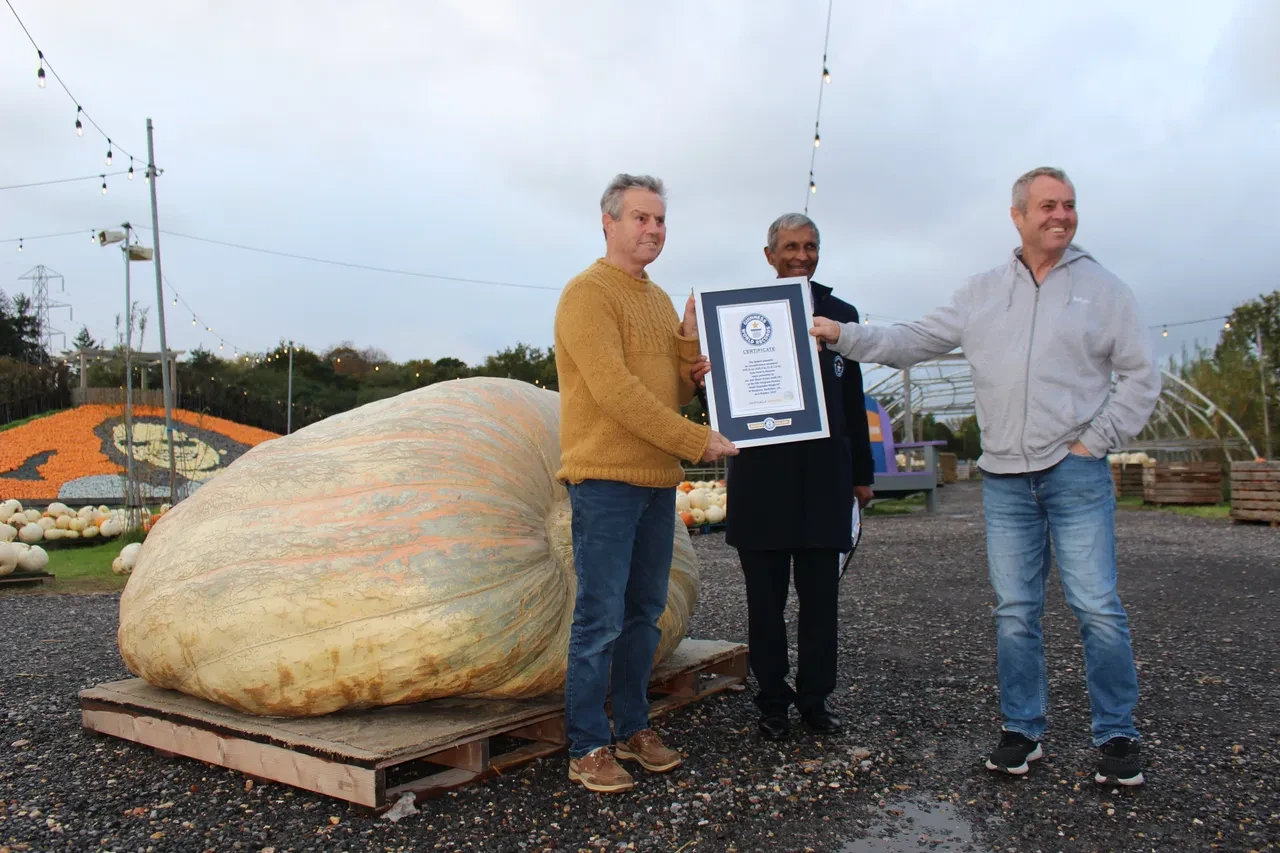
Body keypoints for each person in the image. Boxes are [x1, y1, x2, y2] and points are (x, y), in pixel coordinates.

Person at [810, 167, 1160, 786]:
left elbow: (1140, 377)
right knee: (1015, 610)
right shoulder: (982, 291)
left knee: (1097, 606)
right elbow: (912, 339)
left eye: (1069, 205)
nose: (1061, 215)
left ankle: (1117, 734)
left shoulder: (1104, 290)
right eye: (1047, 205)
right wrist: (842, 335)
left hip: (1074, 473)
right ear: (1018, 215)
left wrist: (1093, 443)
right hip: (1004, 479)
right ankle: (1023, 729)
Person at [553, 173, 738, 794]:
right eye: (640, 218)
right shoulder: (587, 294)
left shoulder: (657, 300)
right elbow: (615, 392)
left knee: (645, 614)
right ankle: (585, 746)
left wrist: (689, 353)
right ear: (607, 222)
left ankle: (633, 726)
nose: (653, 230)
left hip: (656, 478)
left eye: (660, 220)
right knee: (600, 617)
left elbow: (670, 391)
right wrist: (696, 441)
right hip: (604, 477)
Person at [699, 213, 875, 741]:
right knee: (765, 601)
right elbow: (722, 397)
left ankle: (816, 699)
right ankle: (772, 700)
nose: (801, 256)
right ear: (769, 253)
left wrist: (861, 475)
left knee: (821, 602)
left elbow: (853, 399)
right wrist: (705, 374)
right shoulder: (739, 314)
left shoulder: (842, 315)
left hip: (824, 479)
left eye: (811, 246)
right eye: (791, 247)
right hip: (760, 480)